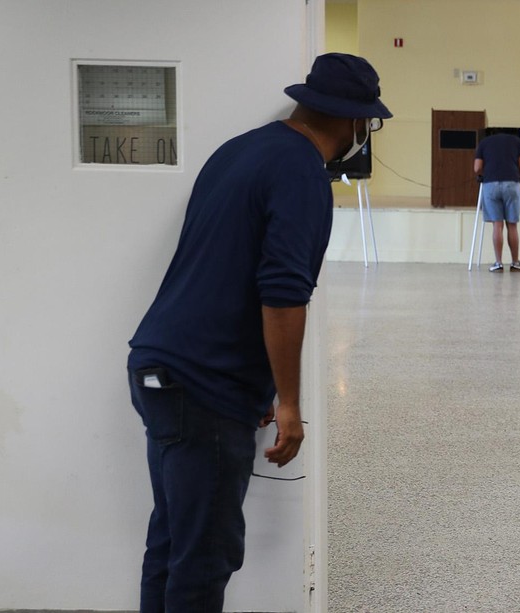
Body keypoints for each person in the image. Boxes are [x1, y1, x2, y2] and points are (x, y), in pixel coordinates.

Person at [125, 53, 390, 612]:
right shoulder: (302, 175)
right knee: (203, 558)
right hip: (204, 384)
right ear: (355, 122)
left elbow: (229, 265)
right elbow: (283, 292)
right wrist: (289, 401)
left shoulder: (240, 149)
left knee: (174, 541)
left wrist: (262, 387)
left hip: (160, 366)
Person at [474, 129, 520, 272]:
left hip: (490, 184)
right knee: (512, 225)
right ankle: (515, 262)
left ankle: (498, 263)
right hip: (511, 183)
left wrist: (486, 173)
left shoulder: (484, 143)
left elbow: (477, 168)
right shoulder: (517, 142)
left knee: (497, 225)